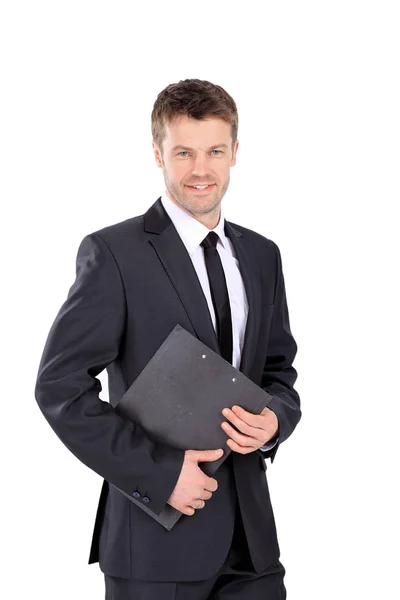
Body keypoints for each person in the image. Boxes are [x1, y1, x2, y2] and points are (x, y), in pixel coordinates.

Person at [35, 78, 301, 599]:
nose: (200, 170)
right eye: (183, 152)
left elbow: (279, 371)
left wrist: (274, 421)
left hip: (254, 546)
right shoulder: (114, 253)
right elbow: (59, 387)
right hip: (156, 543)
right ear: (157, 154)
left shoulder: (262, 255)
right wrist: (158, 476)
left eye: (214, 151)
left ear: (234, 153)